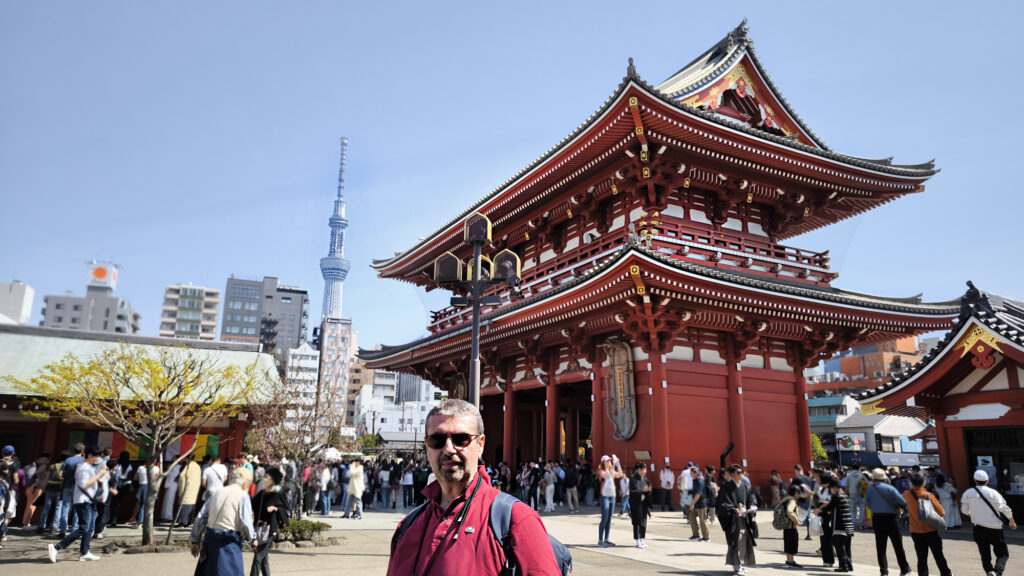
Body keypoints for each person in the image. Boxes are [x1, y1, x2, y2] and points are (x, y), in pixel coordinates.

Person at [385, 399, 559, 575]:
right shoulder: (409, 525)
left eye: (461, 439)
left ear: (480, 444)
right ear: (427, 447)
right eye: (437, 440)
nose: (449, 449)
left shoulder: (516, 520)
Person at [190, 467, 257, 576]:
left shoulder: (216, 492)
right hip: (229, 543)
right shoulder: (243, 495)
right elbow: (246, 522)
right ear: (246, 483)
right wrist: (252, 538)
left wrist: (195, 541)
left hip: (210, 542)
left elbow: (201, 517)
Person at [47, 445, 108, 562]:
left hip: (90, 500)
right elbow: (84, 484)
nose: (98, 459)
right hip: (83, 500)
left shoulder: (89, 467)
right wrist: (99, 476)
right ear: (89, 455)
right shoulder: (82, 468)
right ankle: (57, 547)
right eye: (96, 457)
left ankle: (84, 552)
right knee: (84, 528)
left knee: (90, 528)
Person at [961, 469, 1016, 576]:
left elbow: (964, 510)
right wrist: (1011, 521)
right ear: (987, 481)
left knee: (985, 555)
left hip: (978, 528)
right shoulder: (993, 493)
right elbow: (1003, 508)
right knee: (1003, 554)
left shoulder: (968, 493)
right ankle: (997, 572)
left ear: (974, 480)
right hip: (994, 528)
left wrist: (975, 514)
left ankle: (989, 572)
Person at [903, 472, 951, 576]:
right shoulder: (928, 495)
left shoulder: (906, 495)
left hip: (915, 531)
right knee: (938, 555)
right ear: (923, 482)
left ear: (911, 483)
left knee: (921, 557)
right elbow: (942, 512)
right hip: (931, 530)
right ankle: (946, 573)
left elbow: (901, 506)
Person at [865, 468, 911, 576]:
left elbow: (869, 504)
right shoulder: (890, 488)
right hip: (891, 519)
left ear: (874, 479)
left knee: (881, 547)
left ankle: (884, 572)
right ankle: (904, 569)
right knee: (898, 545)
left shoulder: (870, 489)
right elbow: (902, 502)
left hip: (877, 519)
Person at [717, 465, 756, 576]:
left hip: (743, 518)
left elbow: (750, 498)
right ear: (733, 474)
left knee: (742, 541)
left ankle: (740, 565)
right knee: (735, 542)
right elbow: (722, 503)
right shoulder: (726, 486)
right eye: (739, 472)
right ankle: (737, 566)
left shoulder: (744, 485)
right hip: (733, 519)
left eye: (742, 472)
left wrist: (752, 506)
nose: (741, 474)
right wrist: (734, 509)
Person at [250, 467, 289, 576]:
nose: (264, 479)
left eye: (267, 477)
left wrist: (275, 508)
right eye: (264, 476)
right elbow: (251, 506)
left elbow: (286, 510)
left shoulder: (278, 493)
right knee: (263, 558)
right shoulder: (260, 493)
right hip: (257, 529)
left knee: (258, 556)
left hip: (270, 529)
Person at [826, 477, 855, 573]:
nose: (830, 490)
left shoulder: (837, 496)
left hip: (840, 526)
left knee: (839, 546)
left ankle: (843, 566)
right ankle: (849, 565)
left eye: (831, 488)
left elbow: (829, 506)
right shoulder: (845, 495)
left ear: (835, 487)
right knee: (846, 547)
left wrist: (820, 509)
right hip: (848, 525)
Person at [56, 443, 85, 537]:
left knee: (65, 508)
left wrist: (66, 476)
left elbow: (60, 475)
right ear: (83, 451)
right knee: (77, 509)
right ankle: (74, 530)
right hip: (79, 488)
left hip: (67, 486)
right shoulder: (84, 461)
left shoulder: (68, 460)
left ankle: (62, 530)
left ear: (73, 450)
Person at [597, 454, 624, 546]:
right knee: (604, 518)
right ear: (603, 462)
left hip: (612, 497)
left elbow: (620, 474)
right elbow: (608, 476)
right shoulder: (600, 471)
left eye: (609, 460)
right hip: (604, 497)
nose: (609, 462)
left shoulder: (611, 470)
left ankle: (606, 539)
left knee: (609, 518)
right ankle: (600, 541)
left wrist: (618, 464)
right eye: (607, 460)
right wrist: (613, 467)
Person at [628, 462, 652, 548]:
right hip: (636, 504)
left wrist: (648, 490)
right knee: (637, 522)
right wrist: (643, 490)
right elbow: (633, 491)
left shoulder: (644, 479)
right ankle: (637, 540)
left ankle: (642, 539)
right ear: (639, 470)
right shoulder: (633, 479)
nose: (645, 471)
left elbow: (648, 489)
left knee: (644, 521)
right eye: (644, 469)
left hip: (644, 503)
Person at [781, 485, 803, 569]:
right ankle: (790, 561)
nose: (799, 495)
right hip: (791, 527)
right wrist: (797, 521)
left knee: (788, 543)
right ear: (796, 493)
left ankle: (789, 560)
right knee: (792, 544)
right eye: (798, 493)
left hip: (786, 526)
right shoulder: (792, 501)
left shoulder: (786, 499)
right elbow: (789, 511)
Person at [177, 454, 202, 526]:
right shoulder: (197, 466)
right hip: (194, 488)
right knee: (191, 504)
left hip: (187, 488)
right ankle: (189, 521)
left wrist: (180, 488)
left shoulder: (189, 466)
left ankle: (182, 522)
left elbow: (182, 477)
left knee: (184, 504)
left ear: (188, 459)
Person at [689, 466, 710, 542]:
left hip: (701, 504)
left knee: (703, 520)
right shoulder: (694, 480)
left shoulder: (700, 481)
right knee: (691, 517)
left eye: (692, 473)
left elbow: (698, 494)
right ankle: (696, 535)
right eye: (690, 473)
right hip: (696, 504)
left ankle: (706, 537)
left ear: (696, 473)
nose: (690, 474)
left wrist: (692, 503)